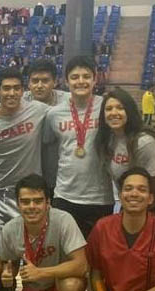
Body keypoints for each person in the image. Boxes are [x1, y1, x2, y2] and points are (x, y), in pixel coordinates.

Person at [42, 55, 113, 238]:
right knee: (66, 256)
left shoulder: (107, 107)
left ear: (95, 78)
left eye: (86, 76)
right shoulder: (54, 114)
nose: (80, 81)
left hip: (100, 197)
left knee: (97, 256)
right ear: (66, 81)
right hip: (65, 195)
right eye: (75, 77)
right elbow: (49, 149)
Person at [0, 67, 50, 225]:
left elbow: (66, 107)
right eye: (6, 88)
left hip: (28, 195)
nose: (11, 93)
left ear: (23, 91)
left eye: (16, 88)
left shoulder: (38, 110)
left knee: (28, 246)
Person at [93, 87, 155, 212]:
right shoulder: (108, 139)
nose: (114, 113)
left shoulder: (144, 142)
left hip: (147, 209)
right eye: (108, 109)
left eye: (120, 108)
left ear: (129, 111)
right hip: (125, 206)